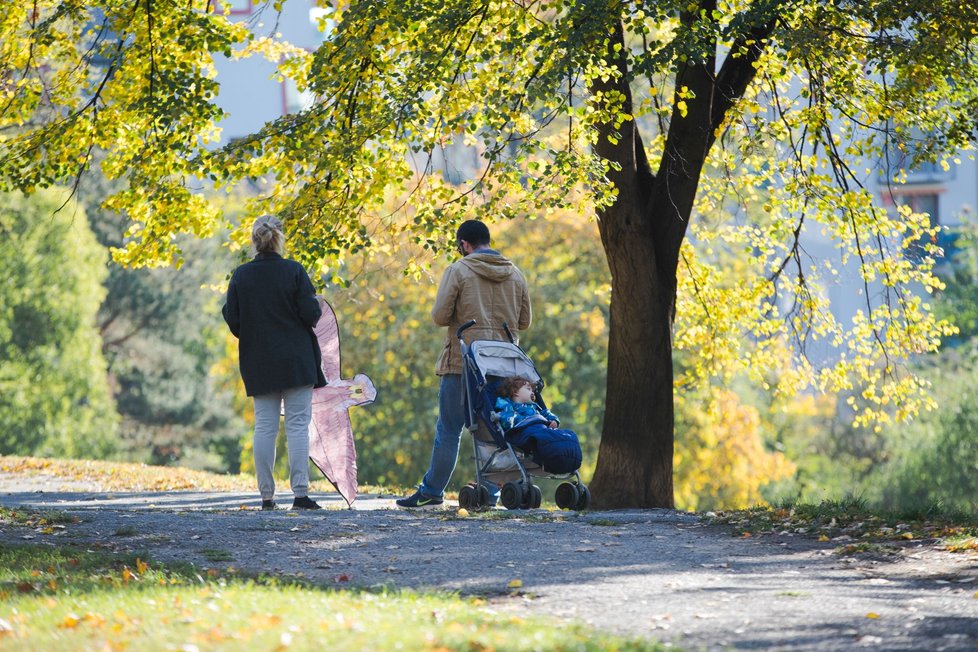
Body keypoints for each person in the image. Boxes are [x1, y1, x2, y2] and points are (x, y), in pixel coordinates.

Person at [396, 219, 532, 508]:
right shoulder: (515, 273)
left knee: (449, 427)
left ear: (464, 245)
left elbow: (440, 316)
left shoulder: (458, 270)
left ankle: (432, 490)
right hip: (502, 366)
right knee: (495, 428)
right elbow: (525, 322)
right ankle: (491, 491)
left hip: (463, 360)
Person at [222, 215, 327, 511]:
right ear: (279, 238)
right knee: (297, 426)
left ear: (254, 240)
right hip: (296, 360)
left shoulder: (241, 276)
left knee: (265, 427)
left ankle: (267, 497)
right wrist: (316, 304)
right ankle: (300, 494)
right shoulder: (294, 271)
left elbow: (234, 319)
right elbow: (309, 314)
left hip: (259, 361)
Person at [493, 376, 582, 475]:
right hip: (522, 431)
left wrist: (554, 420)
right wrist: (526, 420)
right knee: (544, 439)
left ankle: (567, 462)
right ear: (515, 392)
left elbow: (546, 414)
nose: (532, 392)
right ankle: (547, 459)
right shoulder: (507, 405)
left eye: (532, 390)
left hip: (540, 429)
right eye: (528, 389)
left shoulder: (534, 407)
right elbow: (506, 418)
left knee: (569, 435)